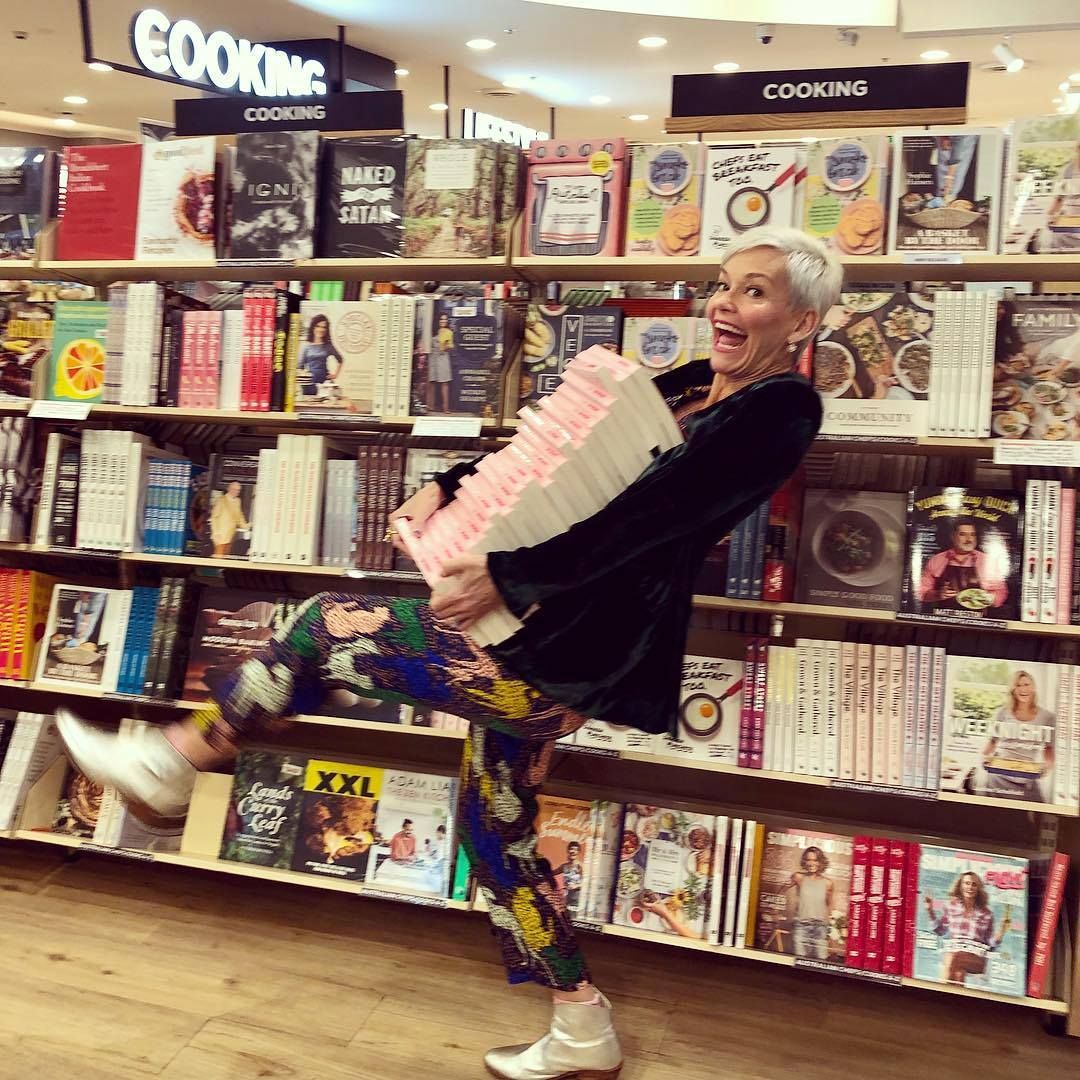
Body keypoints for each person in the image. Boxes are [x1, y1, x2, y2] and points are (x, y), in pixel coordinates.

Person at [55, 226, 840, 1080]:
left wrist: (507, 576)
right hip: (531, 630)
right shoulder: (688, 383)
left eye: (754, 291)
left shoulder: (781, 410)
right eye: (723, 284)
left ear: (801, 322)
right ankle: (582, 1023)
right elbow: (556, 453)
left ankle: (177, 760)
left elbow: (651, 520)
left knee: (323, 625)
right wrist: (449, 482)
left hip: (569, 651)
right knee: (496, 833)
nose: (725, 304)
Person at [977, 669, 1055, 802]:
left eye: (1026, 684)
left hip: (1028, 781)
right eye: (1018, 685)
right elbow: (993, 741)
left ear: (1033, 687)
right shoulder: (1002, 713)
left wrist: (1048, 766)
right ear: (1013, 690)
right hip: (998, 778)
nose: (1023, 689)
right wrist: (984, 756)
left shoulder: (1047, 717)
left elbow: (1049, 748)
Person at [924, 871, 1010, 985]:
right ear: (960, 886)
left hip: (977, 957)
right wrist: (930, 911)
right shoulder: (950, 906)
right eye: (967, 883)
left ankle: (937, 992)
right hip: (954, 953)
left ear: (978, 888)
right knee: (958, 973)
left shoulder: (986, 913)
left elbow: (990, 945)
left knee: (952, 958)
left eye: (974, 884)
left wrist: (1001, 931)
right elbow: (940, 931)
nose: (970, 887)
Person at [917, 520, 1008, 610]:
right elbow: (921, 593)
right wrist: (937, 594)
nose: (969, 539)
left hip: (977, 617)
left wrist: (989, 598)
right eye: (963, 534)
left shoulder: (987, 561)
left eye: (972, 535)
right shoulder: (937, 560)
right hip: (944, 616)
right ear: (953, 537)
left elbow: (1001, 592)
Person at [785, 846, 833, 961]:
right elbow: (782, 889)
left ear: (821, 862)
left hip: (820, 929)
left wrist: (829, 929)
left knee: (821, 962)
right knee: (799, 961)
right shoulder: (798, 877)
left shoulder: (828, 883)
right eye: (808, 860)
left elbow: (828, 906)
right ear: (804, 861)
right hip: (801, 926)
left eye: (815, 860)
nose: (811, 863)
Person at [298, 313, 344, 398]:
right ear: (313, 327)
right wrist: (304, 378)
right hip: (310, 384)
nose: (321, 329)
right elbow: (300, 367)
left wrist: (335, 375)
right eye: (318, 326)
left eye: (324, 327)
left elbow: (340, 359)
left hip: (325, 383)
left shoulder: (328, 346)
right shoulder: (306, 346)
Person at [209, 480, 251, 557]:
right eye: (234, 489)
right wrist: (216, 533)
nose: (236, 492)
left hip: (230, 536)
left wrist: (246, 526)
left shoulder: (238, 501)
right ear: (229, 489)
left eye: (238, 490)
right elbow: (214, 517)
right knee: (219, 558)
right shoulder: (221, 500)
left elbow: (239, 516)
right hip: (220, 536)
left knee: (226, 557)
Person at [427, 311, 453, 413]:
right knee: (431, 382)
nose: (443, 321)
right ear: (438, 320)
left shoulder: (449, 332)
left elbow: (450, 346)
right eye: (442, 319)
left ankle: (445, 408)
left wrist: (446, 346)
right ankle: (430, 406)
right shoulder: (433, 331)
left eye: (445, 319)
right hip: (433, 357)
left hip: (443, 357)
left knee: (444, 383)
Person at [555, 841, 585, 915]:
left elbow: (587, 883)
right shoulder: (564, 866)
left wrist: (576, 886)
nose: (573, 852)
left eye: (576, 850)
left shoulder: (580, 866)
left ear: (578, 852)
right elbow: (552, 873)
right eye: (571, 849)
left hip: (577, 898)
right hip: (567, 898)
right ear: (568, 851)